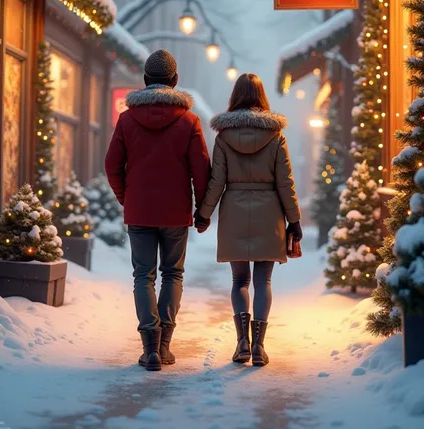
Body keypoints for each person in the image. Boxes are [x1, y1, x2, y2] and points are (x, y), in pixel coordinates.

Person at [105, 49, 211, 371]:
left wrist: (127, 197)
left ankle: (148, 346)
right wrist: (202, 210)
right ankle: (164, 346)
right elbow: (201, 170)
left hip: (140, 212)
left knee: (143, 275)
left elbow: (112, 166)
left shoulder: (126, 119)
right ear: (175, 81)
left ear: (145, 81)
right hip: (176, 213)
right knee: (172, 274)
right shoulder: (189, 121)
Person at [194, 73, 302, 367]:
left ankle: (242, 343)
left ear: (235, 97)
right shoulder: (276, 136)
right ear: (261, 97)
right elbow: (285, 182)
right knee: (263, 281)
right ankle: (259, 348)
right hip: (269, 212)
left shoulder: (224, 137)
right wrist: (294, 221)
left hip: (235, 211)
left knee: (239, 280)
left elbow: (216, 181)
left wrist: (204, 213)